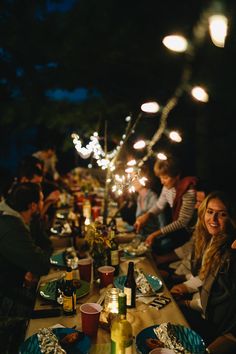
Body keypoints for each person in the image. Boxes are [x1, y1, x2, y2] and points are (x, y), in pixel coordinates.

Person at [170, 191, 236, 354]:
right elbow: (204, 278)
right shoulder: (211, 238)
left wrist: (186, 303)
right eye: (210, 212)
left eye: (222, 214)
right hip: (206, 313)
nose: (213, 220)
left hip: (215, 326)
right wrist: (183, 286)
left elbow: (218, 301)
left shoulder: (228, 253)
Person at [0, 183, 51, 352]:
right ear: (33, 205)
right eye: (42, 200)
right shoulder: (10, 225)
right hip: (6, 304)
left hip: (12, 287)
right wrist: (30, 265)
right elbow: (42, 263)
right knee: (47, 316)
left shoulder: (9, 217)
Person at [134, 156, 197, 254]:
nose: (162, 181)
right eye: (160, 177)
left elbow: (182, 222)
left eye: (165, 177)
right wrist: (147, 215)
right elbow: (159, 206)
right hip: (184, 231)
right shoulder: (167, 188)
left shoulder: (188, 190)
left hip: (194, 230)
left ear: (177, 175)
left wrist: (155, 234)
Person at [133, 170, 166, 238]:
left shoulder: (153, 197)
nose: (132, 181)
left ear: (143, 179)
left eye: (135, 179)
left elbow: (162, 223)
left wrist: (157, 237)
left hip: (154, 239)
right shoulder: (139, 198)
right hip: (142, 236)